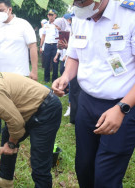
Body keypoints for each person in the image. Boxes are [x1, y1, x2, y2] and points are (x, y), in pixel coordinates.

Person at [52, 0, 135, 186]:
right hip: (87, 102)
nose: (78, 4)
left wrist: (122, 108)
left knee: (106, 176)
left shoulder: (130, 15)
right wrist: (65, 77)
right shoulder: (80, 16)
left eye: (83, 1)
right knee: (84, 167)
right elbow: (74, 55)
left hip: (122, 105)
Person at [0, 0, 38, 82]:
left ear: (10, 10)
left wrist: (34, 70)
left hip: (19, 75)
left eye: (1, 10)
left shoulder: (23, 24)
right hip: (0, 75)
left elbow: (32, 47)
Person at [40, 9, 59, 82]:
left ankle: (54, 79)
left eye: (52, 15)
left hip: (55, 46)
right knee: (47, 62)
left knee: (55, 63)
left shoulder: (58, 24)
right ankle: (46, 79)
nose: (50, 17)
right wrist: (41, 46)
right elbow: (43, 36)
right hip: (47, 45)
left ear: (55, 15)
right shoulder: (45, 25)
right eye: (49, 15)